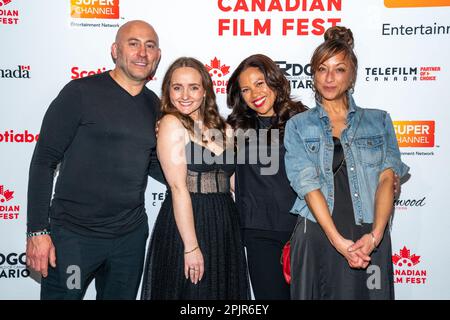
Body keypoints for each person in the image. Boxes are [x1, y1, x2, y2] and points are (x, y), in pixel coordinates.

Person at [26, 20, 165, 300]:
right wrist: (37, 232)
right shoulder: (79, 93)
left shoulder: (156, 107)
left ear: (157, 56)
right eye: (133, 43)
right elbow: (44, 162)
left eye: (150, 46)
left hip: (130, 240)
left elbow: (155, 164)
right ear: (115, 50)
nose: (142, 53)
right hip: (74, 241)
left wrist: (211, 177)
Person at [284, 26, 409, 300]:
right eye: (321, 69)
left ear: (352, 75)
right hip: (318, 232)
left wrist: (375, 237)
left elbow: (387, 179)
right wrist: (337, 241)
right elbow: (307, 184)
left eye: (339, 69)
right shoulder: (298, 126)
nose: (329, 78)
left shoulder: (379, 120)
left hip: (369, 234)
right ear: (313, 74)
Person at [140, 57, 249, 300]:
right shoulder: (171, 123)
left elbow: (232, 183)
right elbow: (178, 188)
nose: (185, 95)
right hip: (188, 223)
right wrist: (191, 246)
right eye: (177, 87)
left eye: (193, 87)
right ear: (168, 91)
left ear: (205, 91)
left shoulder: (224, 128)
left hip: (224, 223)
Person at [226, 54, 307, 299]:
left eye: (259, 83)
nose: (254, 94)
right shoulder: (235, 127)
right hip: (258, 231)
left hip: (302, 228)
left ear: (274, 80)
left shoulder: (304, 120)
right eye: (246, 89)